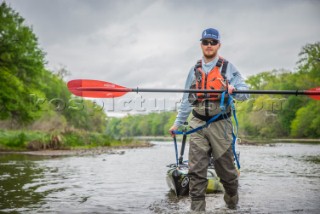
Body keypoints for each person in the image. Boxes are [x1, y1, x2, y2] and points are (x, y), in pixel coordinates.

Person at [169, 28, 249, 211]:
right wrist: (178, 123)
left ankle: (231, 203)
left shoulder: (228, 68)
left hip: (221, 123)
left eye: (213, 42)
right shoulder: (194, 70)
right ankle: (197, 210)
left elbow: (246, 94)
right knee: (196, 172)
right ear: (201, 45)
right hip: (197, 124)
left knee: (227, 173)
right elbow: (186, 101)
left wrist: (234, 89)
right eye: (206, 42)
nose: (209, 45)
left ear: (219, 45)